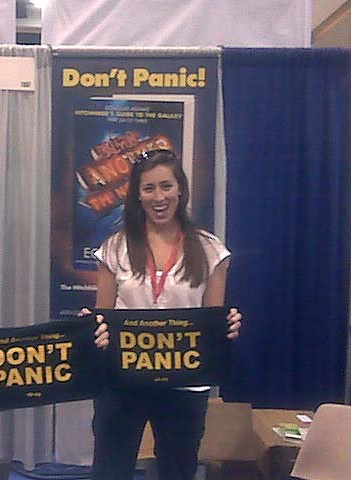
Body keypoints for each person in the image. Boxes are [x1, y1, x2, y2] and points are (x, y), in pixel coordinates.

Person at [88, 149, 242, 480]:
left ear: (180, 190)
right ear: (137, 195)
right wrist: (92, 327)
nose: (159, 197)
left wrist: (226, 327)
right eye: (149, 188)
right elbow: (102, 318)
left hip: (184, 386)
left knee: (178, 471)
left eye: (166, 186)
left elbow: (212, 322)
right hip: (123, 381)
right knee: (110, 471)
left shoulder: (210, 249)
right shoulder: (114, 248)